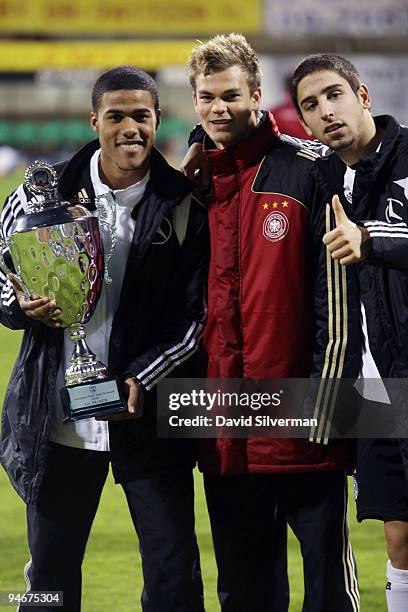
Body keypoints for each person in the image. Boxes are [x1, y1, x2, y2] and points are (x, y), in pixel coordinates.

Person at [0, 65, 208, 612]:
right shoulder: (39, 196)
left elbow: (196, 317)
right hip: (59, 416)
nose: (129, 128)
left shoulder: (184, 204)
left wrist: (145, 375)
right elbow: (2, 274)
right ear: (95, 120)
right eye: (115, 116)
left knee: (172, 576)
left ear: (158, 119)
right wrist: (19, 305)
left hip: (147, 416)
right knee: (49, 574)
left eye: (141, 115)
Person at [183, 34, 360, 612]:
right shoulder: (192, 186)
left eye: (231, 95)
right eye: (206, 97)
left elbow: (336, 299)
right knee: (242, 591)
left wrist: (329, 402)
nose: (218, 109)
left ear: (256, 94)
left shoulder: (309, 171)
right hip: (224, 425)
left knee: (327, 591)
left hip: (305, 420)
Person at [289, 52, 408, 612]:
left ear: (363, 94)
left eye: (334, 94)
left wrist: (372, 242)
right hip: (374, 392)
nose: (325, 111)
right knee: (400, 537)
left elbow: (380, 240)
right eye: (310, 105)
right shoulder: (325, 175)